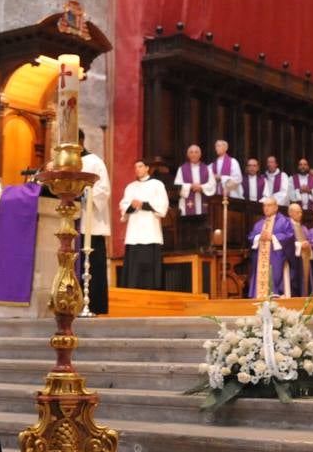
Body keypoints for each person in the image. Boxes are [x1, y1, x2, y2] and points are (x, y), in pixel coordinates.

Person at [118, 160, 169, 290]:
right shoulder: (130, 187)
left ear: (147, 168)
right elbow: (123, 206)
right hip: (134, 233)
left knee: (150, 267)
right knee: (134, 268)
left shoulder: (157, 184)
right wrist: (131, 206)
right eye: (135, 167)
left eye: (140, 166)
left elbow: (162, 205)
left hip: (151, 231)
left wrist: (143, 204)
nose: (137, 169)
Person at [78, 129, 111, 314]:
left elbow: (103, 191)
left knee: (93, 265)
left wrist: (82, 193)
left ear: (80, 142)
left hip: (90, 222)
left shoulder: (94, 162)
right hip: (72, 221)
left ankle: (94, 305)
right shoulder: (65, 162)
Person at [246, 196, 295, 298]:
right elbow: (251, 237)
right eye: (264, 206)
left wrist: (272, 237)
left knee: (275, 281)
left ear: (276, 207)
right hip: (261, 261)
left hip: (277, 258)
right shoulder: (259, 224)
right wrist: (259, 237)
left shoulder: (284, 221)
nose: (266, 208)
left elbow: (290, 236)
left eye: (269, 205)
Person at [173, 144, 216, 217]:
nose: (194, 154)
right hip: (187, 205)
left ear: (200, 154)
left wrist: (201, 187)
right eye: (191, 152)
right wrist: (190, 186)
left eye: (196, 152)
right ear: (188, 155)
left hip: (203, 204)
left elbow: (212, 184)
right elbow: (177, 185)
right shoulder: (181, 169)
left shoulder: (207, 169)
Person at [285, 203, 313, 297]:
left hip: (304, 258)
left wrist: (308, 245)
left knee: (305, 281)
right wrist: (300, 245)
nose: (300, 214)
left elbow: (309, 240)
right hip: (293, 260)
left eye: (301, 212)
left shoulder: (303, 228)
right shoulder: (287, 226)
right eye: (297, 212)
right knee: (294, 282)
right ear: (290, 213)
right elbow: (285, 242)